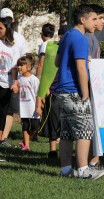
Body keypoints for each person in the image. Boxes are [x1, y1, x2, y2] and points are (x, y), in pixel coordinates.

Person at [55, 4, 104, 179]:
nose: (96, 22)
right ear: (83, 20)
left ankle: (65, 170)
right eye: (93, 19)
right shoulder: (80, 39)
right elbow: (81, 69)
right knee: (85, 129)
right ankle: (84, 170)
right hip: (73, 91)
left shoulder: (68, 35)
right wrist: (85, 94)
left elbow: (57, 61)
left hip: (62, 90)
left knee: (67, 133)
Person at [84, 4, 104, 172]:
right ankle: (92, 162)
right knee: (92, 125)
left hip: (94, 88)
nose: (102, 22)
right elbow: (87, 64)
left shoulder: (93, 39)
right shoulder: (88, 39)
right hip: (90, 88)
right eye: (99, 18)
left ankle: (94, 160)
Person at [36, 24, 72, 159]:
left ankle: (63, 150)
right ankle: (52, 150)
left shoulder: (73, 50)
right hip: (54, 91)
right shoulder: (52, 49)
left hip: (68, 91)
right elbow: (46, 71)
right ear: (60, 37)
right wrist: (43, 91)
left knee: (65, 124)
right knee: (53, 121)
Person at [0, 8, 29, 147]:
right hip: (5, 80)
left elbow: (23, 60)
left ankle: (3, 138)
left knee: (9, 110)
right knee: (5, 111)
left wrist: (19, 79)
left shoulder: (19, 39)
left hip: (12, 81)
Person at [0, 17, 19, 147]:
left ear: (7, 29)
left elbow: (14, 67)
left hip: (6, 83)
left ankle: (1, 138)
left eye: (0, 28)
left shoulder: (13, 47)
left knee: (2, 112)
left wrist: (15, 82)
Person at [17, 53, 40, 151]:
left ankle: (26, 140)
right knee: (25, 126)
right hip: (23, 108)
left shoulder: (34, 79)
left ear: (29, 67)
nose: (19, 67)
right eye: (18, 65)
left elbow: (38, 94)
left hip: (33, 108)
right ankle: (26, 145)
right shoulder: (19, 78)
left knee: (34, 127)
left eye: (21, 65)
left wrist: (39, 106)